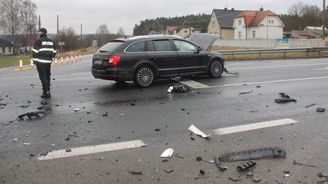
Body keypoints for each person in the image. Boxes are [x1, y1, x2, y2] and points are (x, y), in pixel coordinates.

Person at [32, 28, 57, 98]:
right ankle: (45, 92)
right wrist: (51, 59)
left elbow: (35, 52)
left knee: (43, 77)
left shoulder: (38, 41)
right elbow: (54, 51)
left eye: (39, 31)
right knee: (47, 76)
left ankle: (47, 91)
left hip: (40, 62)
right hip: (48, 62)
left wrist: (35, 61)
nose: (38, 33)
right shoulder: (52, 41)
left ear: (42, 32)